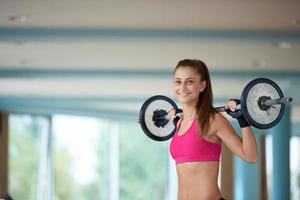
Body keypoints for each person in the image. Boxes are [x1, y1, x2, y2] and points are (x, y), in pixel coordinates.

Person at [169, 59, 258, 200]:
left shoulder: (212, 120)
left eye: (190, 81)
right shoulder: (179, 122)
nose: (183, 87)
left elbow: (251, 156)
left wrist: (243, 120)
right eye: (178, 81)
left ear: (202, 86)